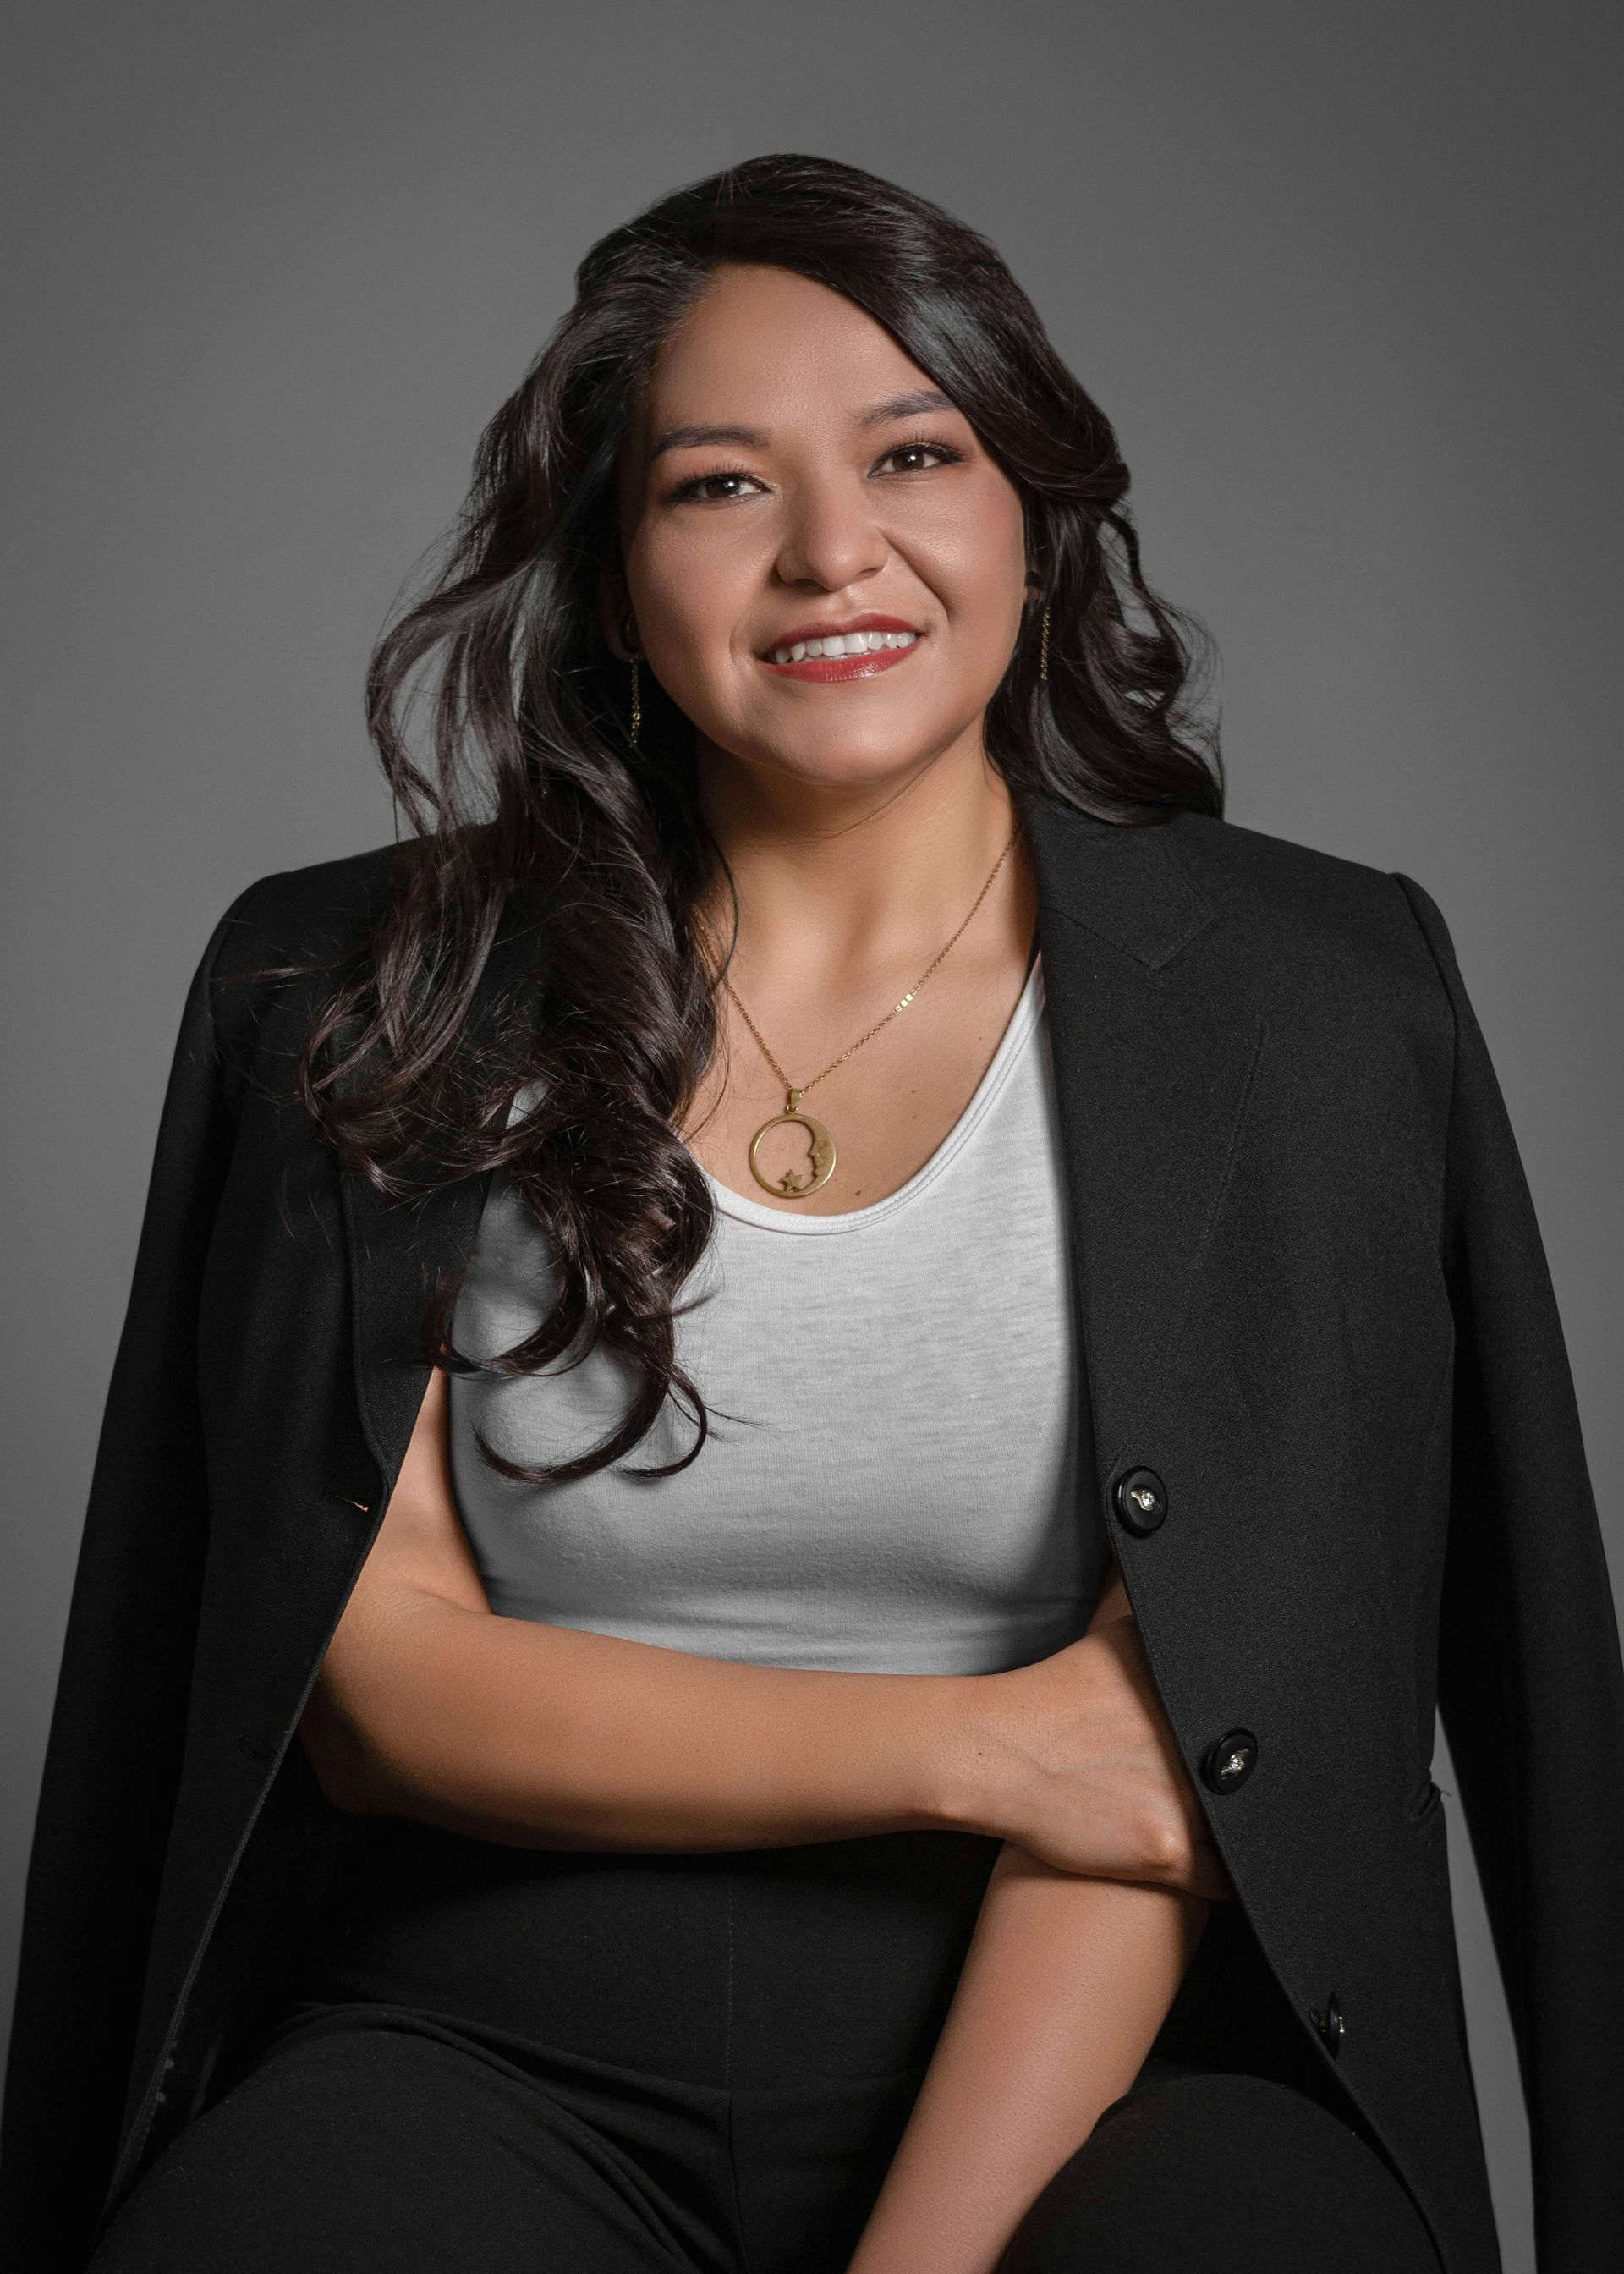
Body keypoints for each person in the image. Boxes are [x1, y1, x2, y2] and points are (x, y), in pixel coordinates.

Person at [3, 151, 1621, 2274]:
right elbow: (377, 1689)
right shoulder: (360, 991)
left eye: (914, 452)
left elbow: (1160, 1787)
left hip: (1109, 2045)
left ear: (1026, 513)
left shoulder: (1316, 1003)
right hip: (486, 2039)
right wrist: (989, 1746)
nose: (834, 552)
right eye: (718, 485)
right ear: (607, 564)